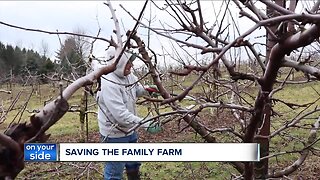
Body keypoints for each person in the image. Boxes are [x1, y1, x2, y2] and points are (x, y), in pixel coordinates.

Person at [96, 49, 161, 180]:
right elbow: (120, 115)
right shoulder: (109, 83)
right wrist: (145, 123)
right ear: (118, 63)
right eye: (128, 62)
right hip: (114, 134)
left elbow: (136, 89)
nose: (131, 65)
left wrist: (148, 90)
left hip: (130, 130)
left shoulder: (128, 76)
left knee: (133, 161)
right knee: (115, 170)